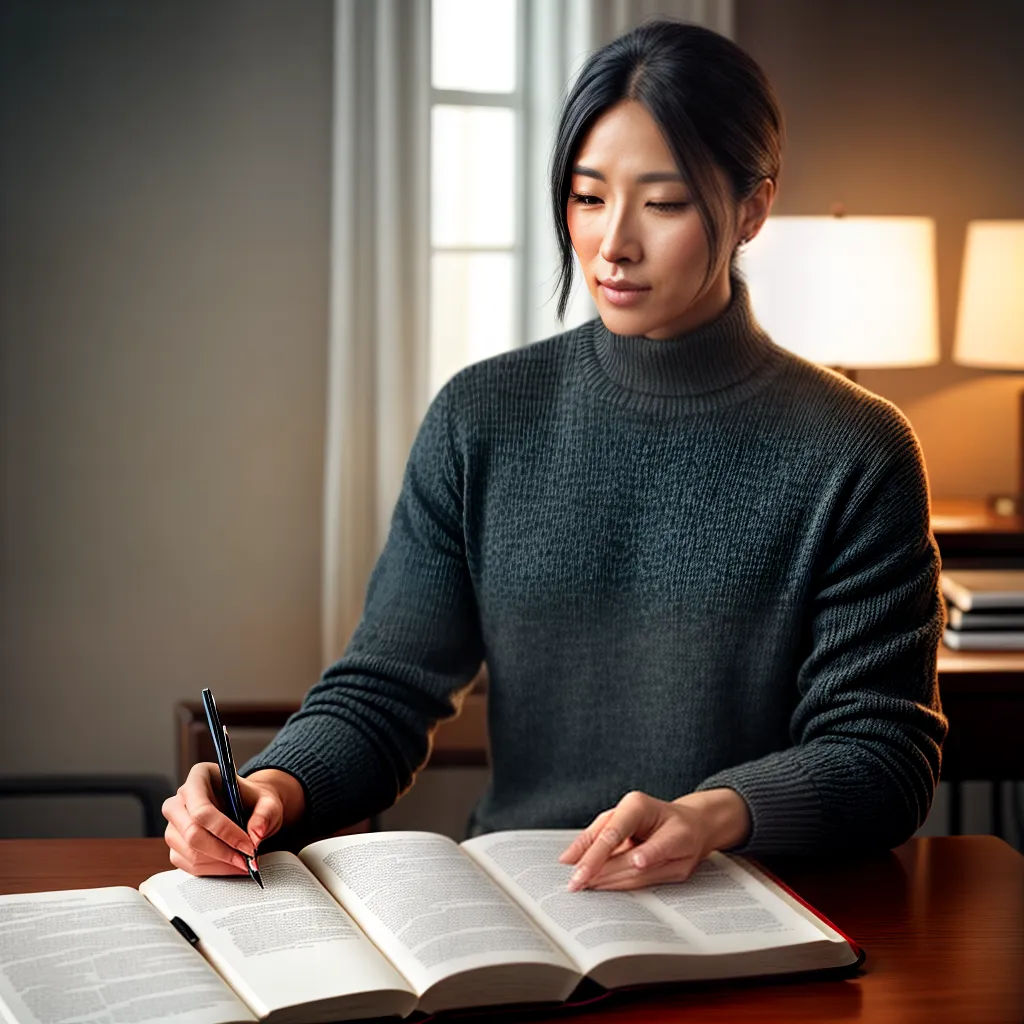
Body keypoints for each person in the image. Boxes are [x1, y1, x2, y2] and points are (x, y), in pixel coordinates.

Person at [162, 20, 946, 892]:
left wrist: (710, 816)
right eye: (587, 197)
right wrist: (271, 789)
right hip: (529, 900)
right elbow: (385, 689)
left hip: (751, 904)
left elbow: (884, 755)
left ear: (753, 208)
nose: (614, 244)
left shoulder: (856, 451)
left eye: (664, 204)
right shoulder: (481, 417)